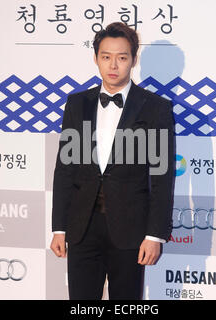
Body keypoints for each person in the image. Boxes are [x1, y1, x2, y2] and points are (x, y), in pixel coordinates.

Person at [50, 22, 175, 300]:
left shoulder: (155, 108)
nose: (113, 65)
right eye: (106, 57)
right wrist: (59, 228)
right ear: (95, 58)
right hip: (82, 228)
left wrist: (155, 235)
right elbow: (65, 171)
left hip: (131, 230)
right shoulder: (77, 103)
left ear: (133, 59)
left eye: (122, 57)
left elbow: (162, 177)